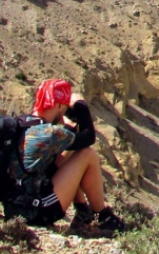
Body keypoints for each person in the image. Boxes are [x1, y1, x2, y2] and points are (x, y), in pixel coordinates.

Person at [7, 79, 123, 232]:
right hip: (37, 211)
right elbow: (88, 138)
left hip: (16, 206)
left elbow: (54, 166)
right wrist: (80, 106)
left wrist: (69, 126)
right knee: (87, 154)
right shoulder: (49, 133)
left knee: (69, 155)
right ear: (60, 105)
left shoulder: (25, 124)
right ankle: (103, 217)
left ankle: (83, 213)